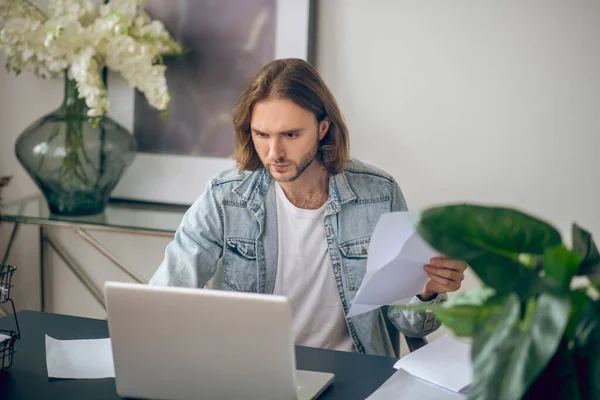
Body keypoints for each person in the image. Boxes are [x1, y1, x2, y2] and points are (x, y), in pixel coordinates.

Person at [149, 58, 467, 357]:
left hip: (356, 373)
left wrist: (427, 291)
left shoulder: (378, 195)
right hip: (254, 372)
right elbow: (163, 298)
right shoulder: (226, 197)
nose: (275, 152)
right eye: (262, 134)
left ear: (322, 128)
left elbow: (410, 323)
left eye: (291, 134)